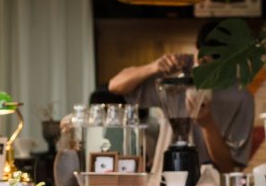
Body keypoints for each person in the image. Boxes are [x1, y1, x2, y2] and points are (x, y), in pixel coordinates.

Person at [107, 22, 254, 174]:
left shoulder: (241, 96)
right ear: (196, 48)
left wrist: (207, 125)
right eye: (202, 61)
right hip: (163, 180)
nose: (207, 71)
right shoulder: (175, 73)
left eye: (216, 65)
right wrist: (153, 67)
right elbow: (115, 86)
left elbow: (229, 168)